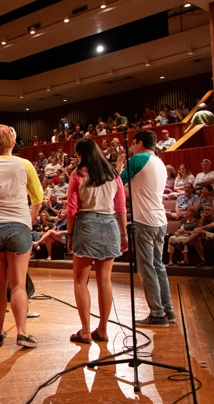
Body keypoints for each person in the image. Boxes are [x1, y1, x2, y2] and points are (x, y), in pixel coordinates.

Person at [0, 124, 43, 348]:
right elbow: (38, 196)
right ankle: (22, 333)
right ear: (14, 143)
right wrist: (32, 215)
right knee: (19, 284)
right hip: (18, 226)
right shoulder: (25, 165)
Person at [65, 139, 127, 343]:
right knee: (105, 280)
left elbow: (72, 209)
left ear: (81, 155)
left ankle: (84, 331)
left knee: (80, 281)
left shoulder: (78, 174)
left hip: (86, 224)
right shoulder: (113, 175)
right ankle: (102, 330)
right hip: (110, 225)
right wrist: (124, 234)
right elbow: (120, 207)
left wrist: (70, 235)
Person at [116, 130, 174, 327]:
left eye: (132, 144)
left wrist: (119, 162)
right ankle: (168, 310)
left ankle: (157, 313)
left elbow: (116, 184)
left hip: (145, 221)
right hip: (160, 220)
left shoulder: (138, 159)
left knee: (146, 267)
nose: (130, 148)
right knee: (158, 265)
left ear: (139, 143)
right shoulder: (160, 163)